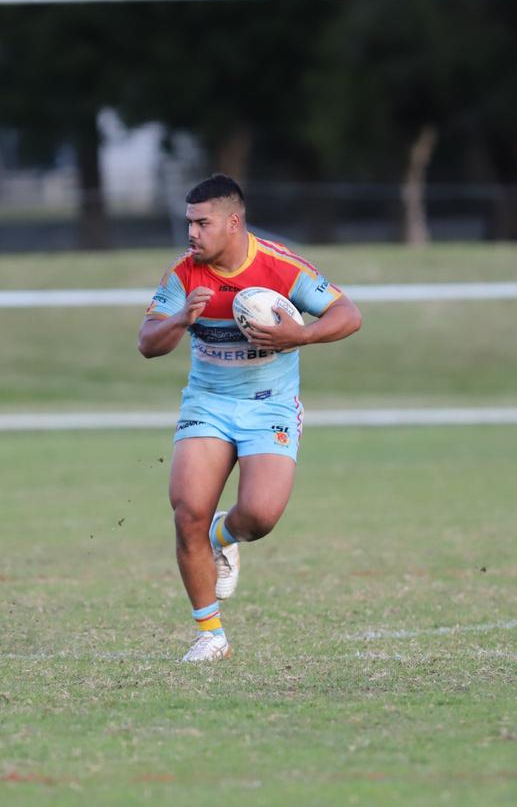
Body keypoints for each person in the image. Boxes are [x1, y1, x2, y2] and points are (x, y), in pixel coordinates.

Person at [138, 175, 361, 662]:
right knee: (186, 512)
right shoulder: (183, 275)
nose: (191, 233)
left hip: (270, 404)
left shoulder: (280, 268)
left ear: (233, 222)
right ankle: (210, 634)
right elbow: (147, 344)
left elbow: (348, 313)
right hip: (207, 404)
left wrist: (299, 337)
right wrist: (180, 320)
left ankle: (224, 535)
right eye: (189, 223)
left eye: (202, 223)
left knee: (259, 517)